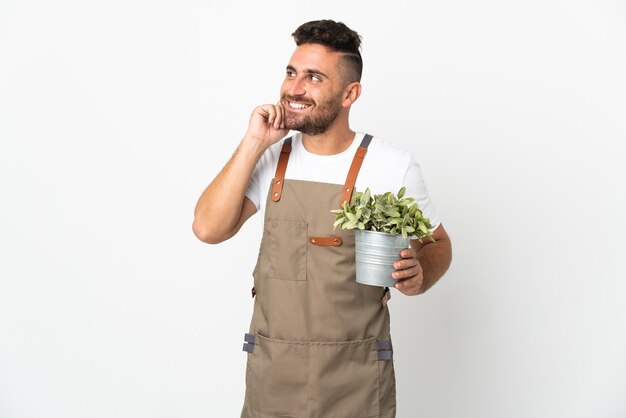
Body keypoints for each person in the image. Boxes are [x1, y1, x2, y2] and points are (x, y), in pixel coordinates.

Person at [193, 19, 452, 418]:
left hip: (356, 382)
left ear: (350, 93)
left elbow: (437, 244)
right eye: (292, 73)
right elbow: (208, 229)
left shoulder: (390, 165)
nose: (294, 88)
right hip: (273, 378)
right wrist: (253, 142)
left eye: (314, 77)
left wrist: (421, 275)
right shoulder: (269, 158)